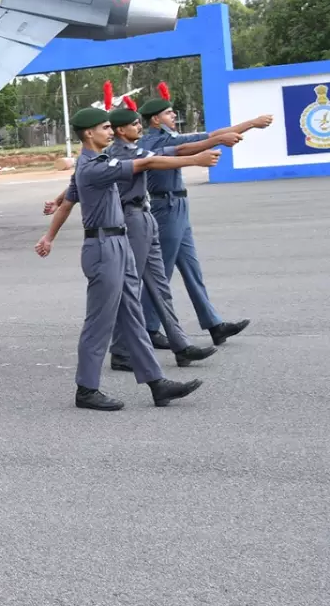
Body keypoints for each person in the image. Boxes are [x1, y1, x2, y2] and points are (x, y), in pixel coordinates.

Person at [33, 107, 213, 410]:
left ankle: (157, 384)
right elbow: (149, 162)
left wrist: (48, 236)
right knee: (99, 322)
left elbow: (67, 203)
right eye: (105, 127)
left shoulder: (92, 163)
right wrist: (195, 160)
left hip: (120, 242)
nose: (110, 131)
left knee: (132, 317)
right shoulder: (93, 167)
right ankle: (86, 389)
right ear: (89, 133)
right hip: (103, 248)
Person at [135, 91, 265, 344]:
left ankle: (214, 324)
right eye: (168, 112)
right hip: (165, 207)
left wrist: (251, 123)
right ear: (154, 120)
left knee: (192, 270)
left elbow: (212, 135)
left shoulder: (168, 135)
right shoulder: (149, 142)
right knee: (161, 272)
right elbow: (186, 148)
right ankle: (148, 329)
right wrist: (211, 145)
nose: (173, 115)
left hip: (179, 205)